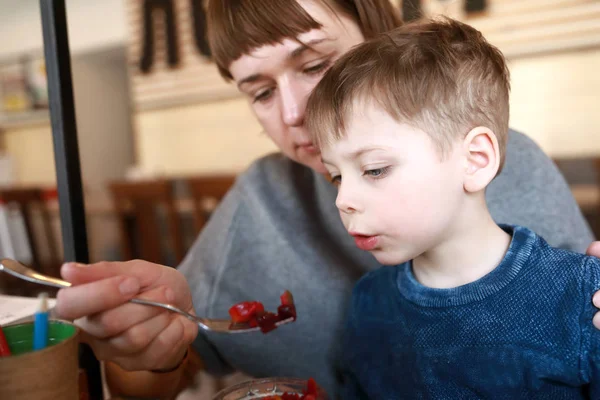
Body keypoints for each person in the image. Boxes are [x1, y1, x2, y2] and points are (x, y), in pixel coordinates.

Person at [54, 0, 600, 398]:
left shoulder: (515, 174)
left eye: (316, 65)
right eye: (261, 92)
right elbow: (156, 381)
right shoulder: (266, 203)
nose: (294, 112)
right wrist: (151, 344)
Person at [304, 17, 600, 398]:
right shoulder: (368, 302)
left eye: (374, 169)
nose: (343, 201)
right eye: (337, 177)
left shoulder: (581, 298)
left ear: (474, 160)